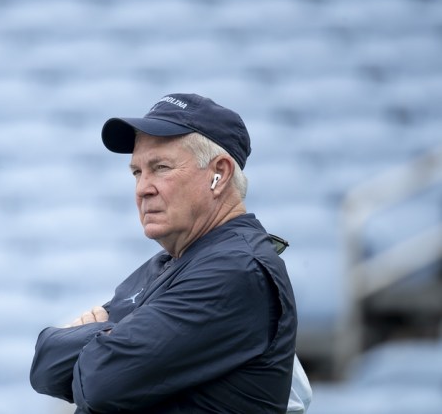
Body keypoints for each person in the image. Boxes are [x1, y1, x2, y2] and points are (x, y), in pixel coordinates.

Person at [30, 93, 311, 413]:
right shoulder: (173, 263)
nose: (142, 188)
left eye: (160, 168)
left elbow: (100, 383)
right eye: (137, 172)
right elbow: (45, 365)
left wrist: (98, 335)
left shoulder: (235, 270)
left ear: (218, 174)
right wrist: (108, 339)